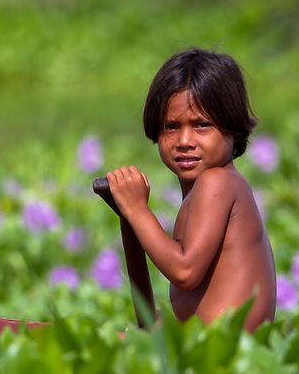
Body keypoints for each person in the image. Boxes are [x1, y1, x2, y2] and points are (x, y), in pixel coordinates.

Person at [103, 48, 277, 332]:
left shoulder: (217, 182)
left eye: (201, 125)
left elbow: (185, 271)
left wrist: (137, 210)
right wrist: (129, 215)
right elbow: (174, 304)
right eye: (171, 127)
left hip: (223, 352)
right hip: (207, 346)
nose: (184, 140)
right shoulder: (211, 188)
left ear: (232, 129)